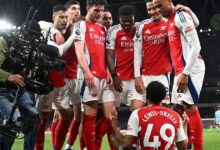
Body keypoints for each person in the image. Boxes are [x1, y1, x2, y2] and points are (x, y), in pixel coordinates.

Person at [153, 0, 206, 149]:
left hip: (190, 69)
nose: (157, 9)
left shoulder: (179, 16)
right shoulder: (172, 19)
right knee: (177, 109)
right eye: (155, 7)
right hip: (180, 70)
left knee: (189, 107)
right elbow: (196, 23)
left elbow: (196, 46)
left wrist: (185, 73)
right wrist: (189, 9)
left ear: (169, 1)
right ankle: (185, 145)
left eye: (159, 5)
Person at [72, 0, 117, 149]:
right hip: (89, 76)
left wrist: (109, 72)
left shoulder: (102, 29)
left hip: (104, 77)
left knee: (112, 115)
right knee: (90, 116)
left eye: (101, 10)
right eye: (96, 10)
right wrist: (87, 72)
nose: (99, 13)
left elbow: (104, 54)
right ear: (88, 8)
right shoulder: (80, 25)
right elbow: (79, 50)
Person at [109, 81, 188, 150]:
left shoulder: (137, 114)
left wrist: (114, 126)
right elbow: (183, 147)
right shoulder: (175, 116)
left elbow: (125, 145)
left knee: (114, 140)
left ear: (146, 96)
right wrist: (185, 126)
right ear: (164, 97)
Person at [0, 22, 39, 150]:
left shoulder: (30, 48)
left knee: (33, 119)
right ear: (20, 31)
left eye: (34, 37)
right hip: (1, 89)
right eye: (29, 36)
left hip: (17, 89)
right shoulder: (3, 40)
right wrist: (9, 76)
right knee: (15, 120)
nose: (30, 40)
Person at [35, 4, 69, 150]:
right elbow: (38, 24)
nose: (64, 20)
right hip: (46, 81)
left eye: (66, 17)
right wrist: (55, 32)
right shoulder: (44, 26)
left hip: (63, 81)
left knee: (66, 117)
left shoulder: (70, 30)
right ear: (53, 17)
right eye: (61, 17)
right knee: (42, 119)